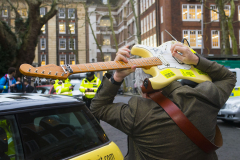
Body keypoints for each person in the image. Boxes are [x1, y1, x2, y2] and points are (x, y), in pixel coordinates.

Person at [90, 44, 236, 160]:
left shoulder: (138, 113)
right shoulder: (206, 96)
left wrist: (117, 77)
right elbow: (228, 77)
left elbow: (97, 107)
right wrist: (196, 60)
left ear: (143, 84)